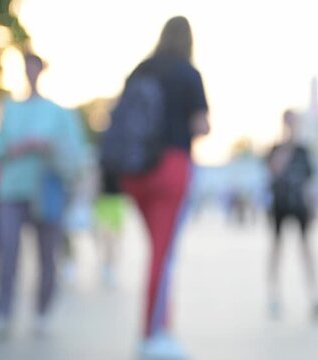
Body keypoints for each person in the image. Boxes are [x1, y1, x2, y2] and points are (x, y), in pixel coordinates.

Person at [116, 16, 210, 359]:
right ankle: (151, 335)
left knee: (158, 251)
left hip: (134, 171)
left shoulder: (141, 69)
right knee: (163, 254)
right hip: (170, 168)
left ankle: (161, 327)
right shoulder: (188, 73)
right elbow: (200, 125)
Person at [0, 53, 86, 338]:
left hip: (46, 191)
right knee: (7, 253)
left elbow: (76, 154)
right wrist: (17, 148)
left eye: (34, 67)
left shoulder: (59, 113)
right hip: (12, 189)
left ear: (41, 70)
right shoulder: (8, 107)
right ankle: (1, 313)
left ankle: (42, 310)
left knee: (47, 255)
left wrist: (46, 145)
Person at [265, 110, 318, 322]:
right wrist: (283, 151)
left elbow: (310, 182)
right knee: (276, 250)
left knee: (307, 250)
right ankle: (274, 295)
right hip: (280, 205)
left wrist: (313, 208)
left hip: (299, 205)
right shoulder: (275, 149)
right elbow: (272, 171)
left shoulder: (303, 151)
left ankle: (315, 295)